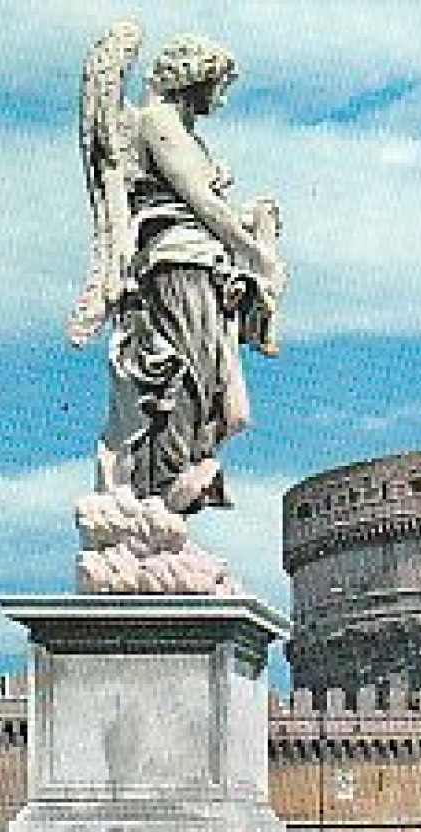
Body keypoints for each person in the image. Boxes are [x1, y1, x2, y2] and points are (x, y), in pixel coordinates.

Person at [71, 24, 286, 516]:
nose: (221, 99)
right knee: (181, 375)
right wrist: (255, 250)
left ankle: (182, 469)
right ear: (196, 76)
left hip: (205, 269)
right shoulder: (156, 123)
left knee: (221, 396)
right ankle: (164, 477)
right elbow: (200, 201)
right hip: (176, 268)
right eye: (219, 86)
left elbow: (209, 205)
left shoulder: (186, 132)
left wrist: (251, 230)